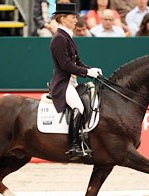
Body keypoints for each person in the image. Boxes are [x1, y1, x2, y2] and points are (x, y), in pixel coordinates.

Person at [49, 3, 102, 160]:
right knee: (78, 106)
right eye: (73, 17)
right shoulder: (58, 38)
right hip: (62, 84)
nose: (76, 20)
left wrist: (91, 70)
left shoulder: (67, 37)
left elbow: (77, 62)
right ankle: (73, 146)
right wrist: (87, 72)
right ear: (63, 18)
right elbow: (66, 66)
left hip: (72, 82)